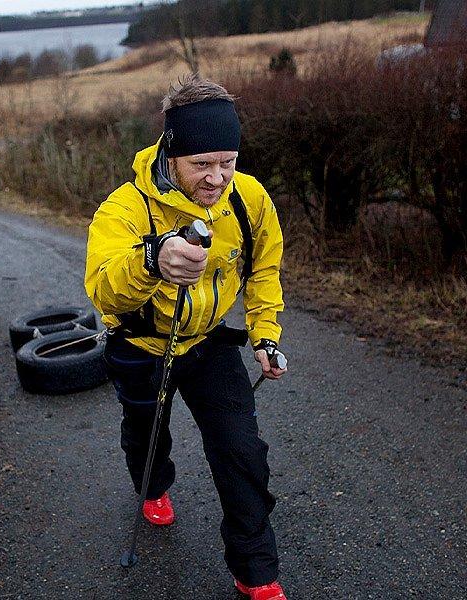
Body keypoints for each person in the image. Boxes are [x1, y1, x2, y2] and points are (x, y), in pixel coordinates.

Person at [84, 74, 288, 600]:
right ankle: (152, 485)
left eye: (229, 161)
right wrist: (152, 258)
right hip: (142, 346)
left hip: (207, 344)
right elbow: (105, 292)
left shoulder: (248, 198)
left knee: (242, 452)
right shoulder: (125, 208)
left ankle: (256, 572)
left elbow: (264, 268)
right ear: (170, 154)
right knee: (146, 433)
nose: (218, 177)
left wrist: (265, 335)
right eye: (203, 164)